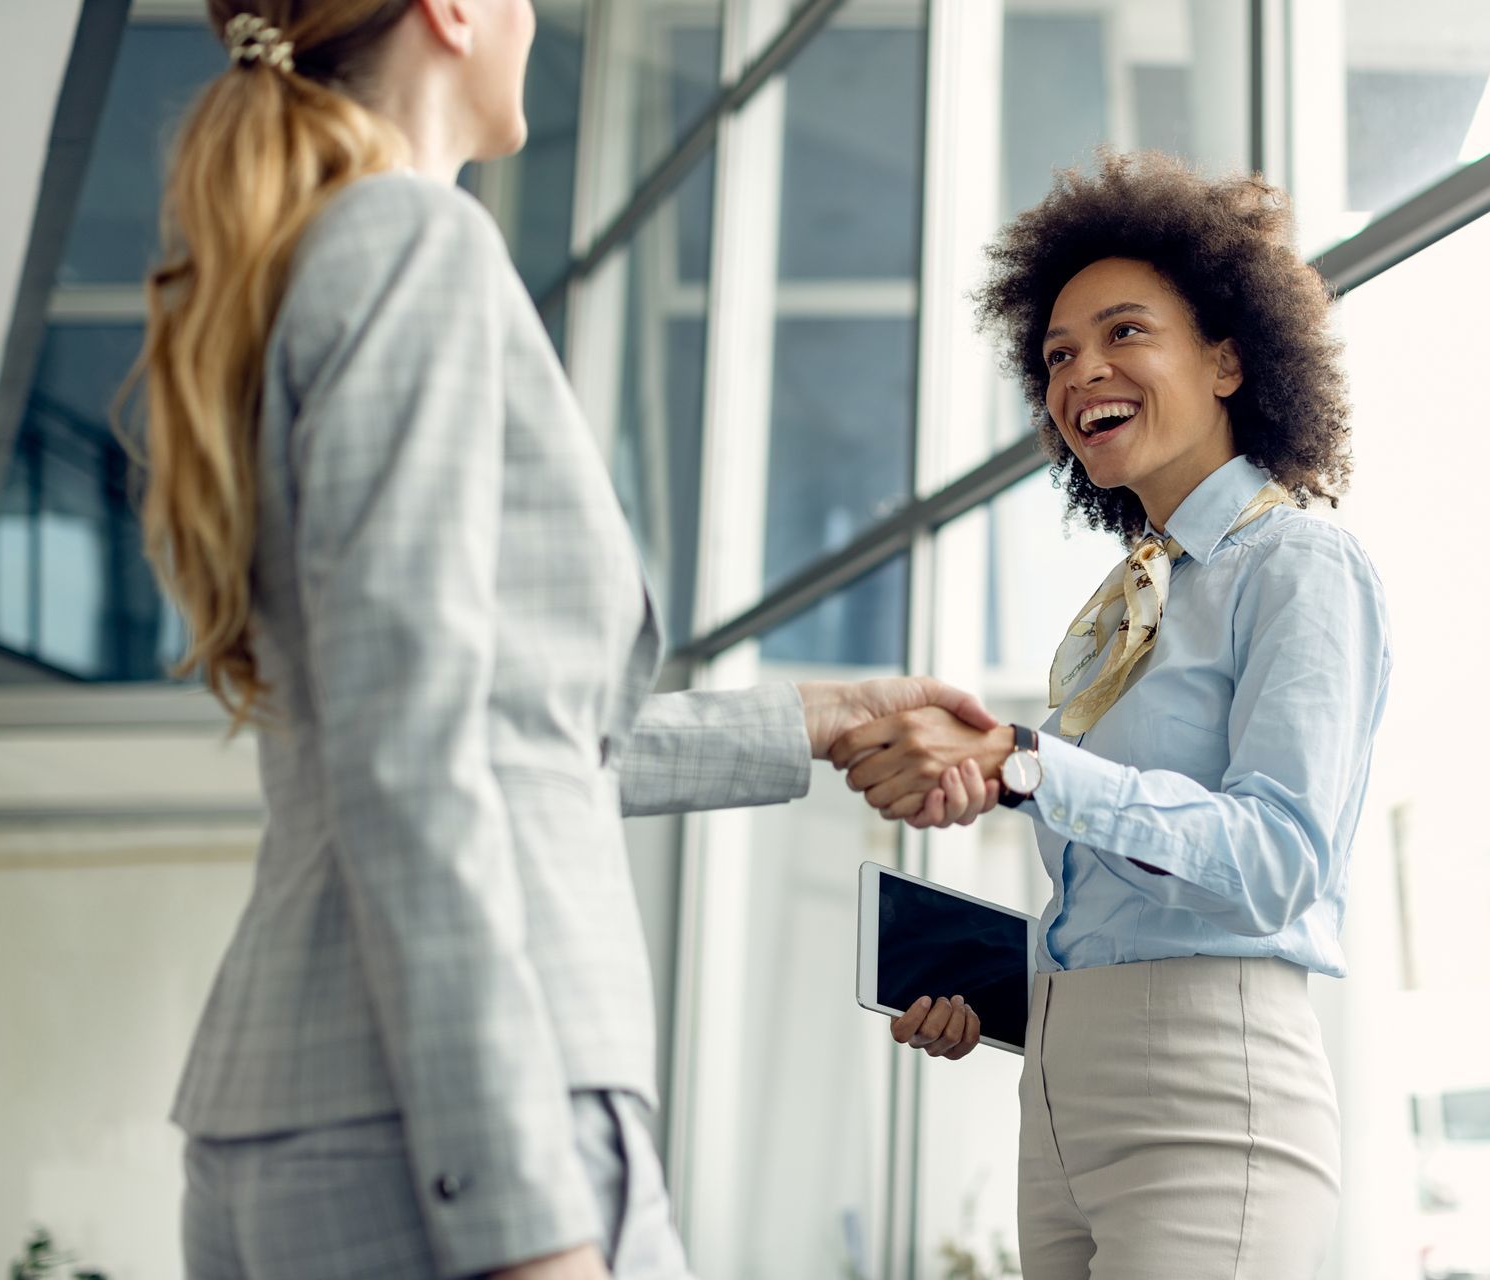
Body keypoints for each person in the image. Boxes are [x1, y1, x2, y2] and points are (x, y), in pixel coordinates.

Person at [132, 4, 995, 1278]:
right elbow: (414, 757)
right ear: (454, 13)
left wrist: (814, 718)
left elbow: (495, 729)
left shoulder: (306, 259)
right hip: (454, 1116)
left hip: (314, 1106)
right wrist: (525, 1219)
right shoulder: (410, 240)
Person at [828, 152, 1393, 1279]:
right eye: (1057, 353)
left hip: (1208, 1102)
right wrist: (998, 994)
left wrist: (1028, 766)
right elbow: (1123, 894)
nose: (1083, 369)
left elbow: (1280, 858)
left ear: (1229, 357)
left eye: (1126, 332)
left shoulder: (1300, 566)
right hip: (1061, 1093)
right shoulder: (1119, 606)